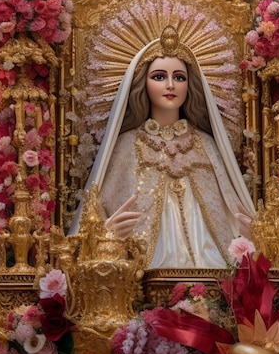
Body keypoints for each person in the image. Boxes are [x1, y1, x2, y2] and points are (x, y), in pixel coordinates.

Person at [70, 25, 254, 269]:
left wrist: (253, 235)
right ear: (143, 83)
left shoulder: (206, 144)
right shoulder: (127, 145)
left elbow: (231, 211)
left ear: (190, 85)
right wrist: (107, 236)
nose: (170, 85)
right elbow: (98, 213)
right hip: (142, 269)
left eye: (179, 77)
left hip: (211, 267)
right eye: (159, 76)